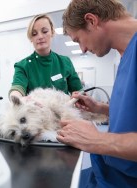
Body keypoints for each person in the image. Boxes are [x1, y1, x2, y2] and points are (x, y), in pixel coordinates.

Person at [56, 0, 137, 187]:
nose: (83, 49)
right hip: (111, 170)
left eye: (78, 40)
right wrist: (100, 108)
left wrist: (96, 139)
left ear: (91, 21)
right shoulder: (125, 53)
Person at [9, 14, 82, 99]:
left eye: (44, 31)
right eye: (34, 33)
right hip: (35, 112)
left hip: (62, 111)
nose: (40, 37)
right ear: (30, 38)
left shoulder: (65, 62)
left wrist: (77, 96)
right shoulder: (23, 66)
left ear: (52, 32)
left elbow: (78, 91)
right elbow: (17, 88)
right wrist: (17, 99)